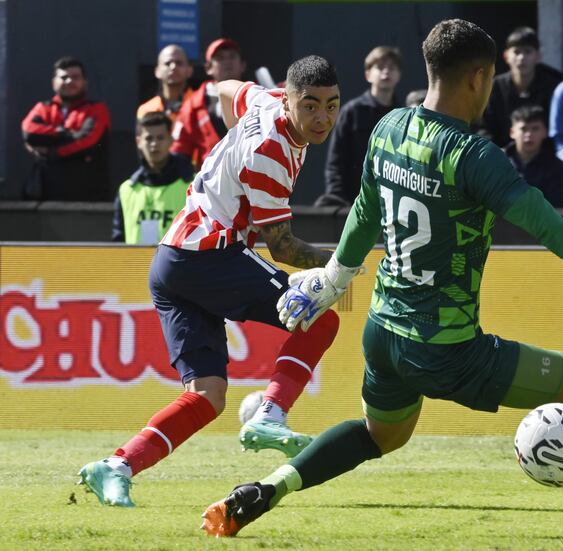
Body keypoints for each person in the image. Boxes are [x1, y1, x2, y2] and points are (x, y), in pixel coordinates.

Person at [200, 19, 563, 538]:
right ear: (480, 76)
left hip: (384, 335)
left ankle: (264, 489)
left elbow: (363, 215)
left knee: (381, 435)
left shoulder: (389, 126)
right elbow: (543, 222)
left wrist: (329, 279)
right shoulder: (472, 155)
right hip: (446, 348)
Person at [78, 55, 346, 508]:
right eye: (311, 106)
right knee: (320, 320)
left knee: (207, 396)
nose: (322, 118)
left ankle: (116, 466)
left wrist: (230, 148)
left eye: (332, 105)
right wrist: (342, 266)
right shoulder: (271, 155)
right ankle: (270, 416)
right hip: (207, 254)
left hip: (171, 261)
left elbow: (222, 89)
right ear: (290, 100)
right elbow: (280, 247)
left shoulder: (262, 99)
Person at [315, 46, 402, 207]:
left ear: (399, 75)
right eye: (380, 67)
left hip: (392, 205)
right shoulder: (352, 112)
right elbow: (335, 161)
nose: (386, 72)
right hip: (353, 204)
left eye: (392, 67)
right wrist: (337, 199)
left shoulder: (403, 115)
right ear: (368, 74)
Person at [21, 56, 111, 201]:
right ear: (53, 83)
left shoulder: (97, 109)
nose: (69, 81)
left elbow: (86, 142)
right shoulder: (43, 107)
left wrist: (51, 151)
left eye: (75, 77)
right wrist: (64, 133)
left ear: (85, 82)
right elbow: (29, 132)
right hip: (45, 195)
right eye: (64, 77)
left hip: (86, 196)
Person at [112, 112, 193, 244]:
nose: (154, 144)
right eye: (149, 138)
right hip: (133, 264)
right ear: (138, 142)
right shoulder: (126, 190)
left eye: (160, 138)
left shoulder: (192, 186)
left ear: (171, 140)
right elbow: (118, 239)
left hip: (177, 264)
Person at [479, 27, 563, 148]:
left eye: (528, 51)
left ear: (538, 56)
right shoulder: (494, 87)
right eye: (517, 52)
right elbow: (483, 128)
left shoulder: (554, 86)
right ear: (506, 56)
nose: (521, 58)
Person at [171, 37, 247, 168]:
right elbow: (180, 148)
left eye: (232, 56)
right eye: (220, 58)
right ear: (208, 68)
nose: (227, 62)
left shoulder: (258, 97)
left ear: (242, 65)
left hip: (250, 178)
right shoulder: (193, 104)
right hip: (211, 182)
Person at [504, 105, 563, 208]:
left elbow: (555, 208)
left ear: (545, 132)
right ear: (512, 132)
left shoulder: (558, 168)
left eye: (535, 129)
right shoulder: (496, 163)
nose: (529, 134)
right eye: (523, 129)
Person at [137, 44, 194, 123]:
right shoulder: (146, 110)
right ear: (157, 71)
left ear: (189, 71)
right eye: (167, 63)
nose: (173, 67)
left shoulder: (201, 105)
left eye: (179, 63)